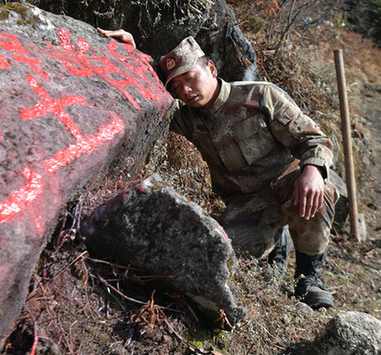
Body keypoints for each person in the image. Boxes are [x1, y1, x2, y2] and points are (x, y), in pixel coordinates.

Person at [98, 29, 339, 309]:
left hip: (287, 188)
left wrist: (312, 170)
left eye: (190, 78)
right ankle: (277, 240)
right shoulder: (187, 119)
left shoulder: (260, 95)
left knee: (321, 190)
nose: (186, 90)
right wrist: (134, 54)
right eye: (176, 87)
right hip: (245, 207)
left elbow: (313, 139)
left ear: (211, 68)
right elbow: (154, 96)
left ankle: (308, 278)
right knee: (217, 258)